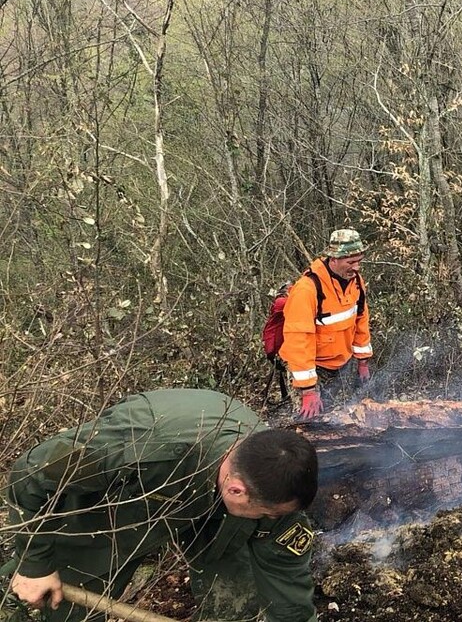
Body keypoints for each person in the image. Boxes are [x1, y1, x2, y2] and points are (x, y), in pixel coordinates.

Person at [3, 389, 319, 622]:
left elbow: (286, 576)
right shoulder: (141, 446)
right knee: (56, 602)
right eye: (265, 513)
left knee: (236, 593)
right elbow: (31, 474)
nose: (270, 519)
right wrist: (35, 565)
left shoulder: (277, 481)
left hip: (209, 504)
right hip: (123, 502)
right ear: (237, 490)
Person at [280, 229, 373, 419]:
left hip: (340, 364)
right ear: (334, 259)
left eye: (359, 261)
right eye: (351, 262)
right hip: (311, 367)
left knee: (335, 418)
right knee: (308, 422)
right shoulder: (307, 289)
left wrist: (363, 361)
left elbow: (361, 319)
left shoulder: (356, 282)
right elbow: (298, 340)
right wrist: (308, 390)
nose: (356, 267)